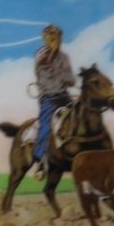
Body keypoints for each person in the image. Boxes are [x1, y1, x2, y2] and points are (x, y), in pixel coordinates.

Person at [32, 24, 75, 171]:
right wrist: (61, 75)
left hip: (64, 96)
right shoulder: (41, 57)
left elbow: (71, 80)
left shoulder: (64, 58)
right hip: (49, 98)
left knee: (80, 114)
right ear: (46, 40)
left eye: (57, 38)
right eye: (52, 39)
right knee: (45, 126)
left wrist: (65, 77)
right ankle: (40, 159)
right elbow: (43, 80)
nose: (56, 42)